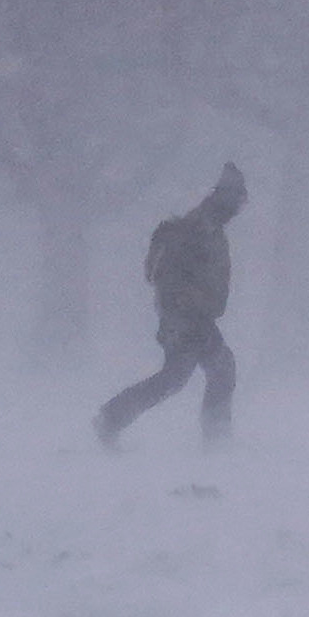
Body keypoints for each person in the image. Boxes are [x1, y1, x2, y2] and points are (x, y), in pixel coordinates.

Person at [94, 163, 248, 448]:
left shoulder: (208, 227)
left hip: (192, 316)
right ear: (226, 198)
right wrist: (185, 307)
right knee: (199, 373)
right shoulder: (198, 228)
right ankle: (215, 438)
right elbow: (171, 275)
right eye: (238, 200)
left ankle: (112, 418)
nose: (240, 207)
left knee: (192, 374)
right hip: (187, 318)